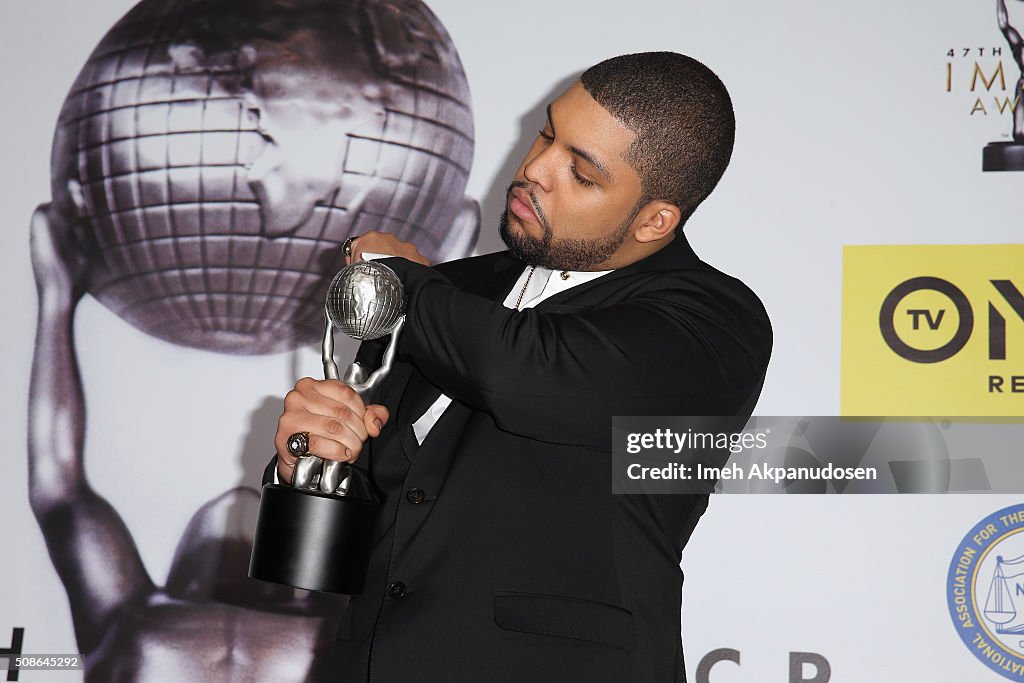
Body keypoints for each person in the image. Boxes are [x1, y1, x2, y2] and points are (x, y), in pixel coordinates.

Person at [270, 52, 772, 682]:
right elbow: (346, 544)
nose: (534, 170)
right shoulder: (451, 294)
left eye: (580, 174)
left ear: (654, 220)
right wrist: (310, 461)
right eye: (546, 133)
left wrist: (391, 278)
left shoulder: (711, 322)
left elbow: (522, 371)